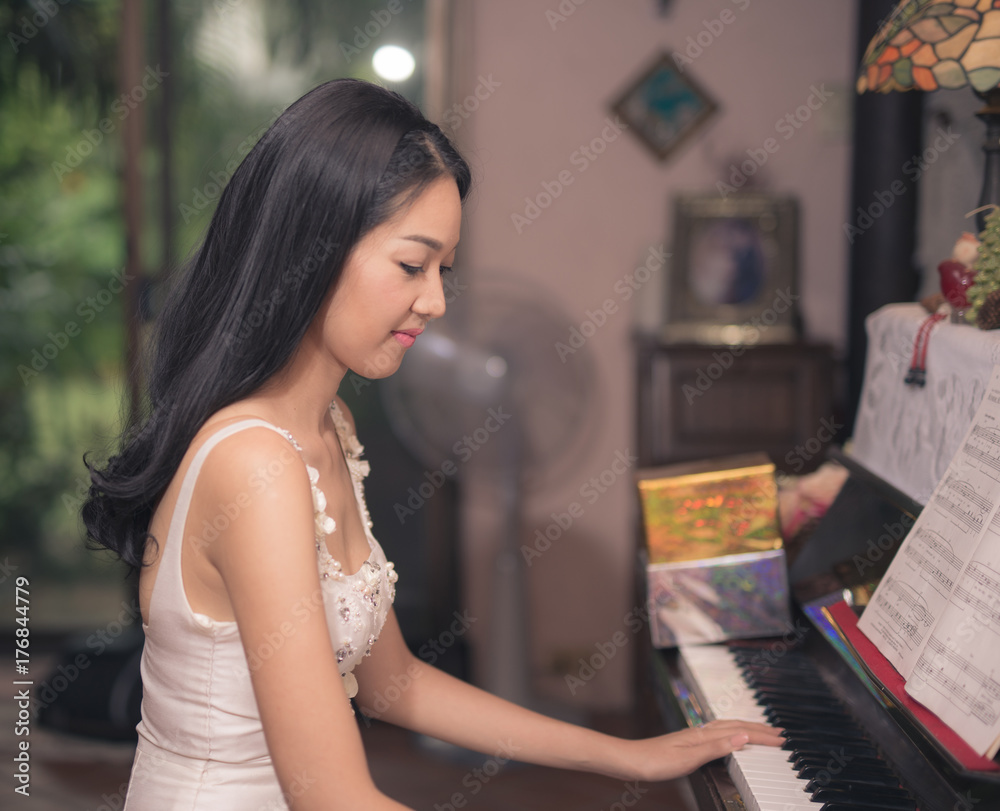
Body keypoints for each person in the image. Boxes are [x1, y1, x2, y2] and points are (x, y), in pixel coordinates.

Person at [83, 79, 782, 810]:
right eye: (413, 265)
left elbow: (395, 682)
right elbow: (334, 798)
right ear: (315, 248)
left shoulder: (327, 428)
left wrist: (625, 757)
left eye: (443, 271)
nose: (437, 302)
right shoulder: (254, 464)